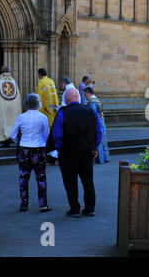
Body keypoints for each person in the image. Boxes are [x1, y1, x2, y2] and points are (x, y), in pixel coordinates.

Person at [50, 88, 102, 217]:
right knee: (88, 180)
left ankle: (74, 209)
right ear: (78, 98)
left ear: (67, 100)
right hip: (86, 152)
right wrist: (94, 147)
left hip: (68, 153)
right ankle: (90, 208)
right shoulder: (90, 111)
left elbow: (57, 134)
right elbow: (99, 131)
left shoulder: (63, 113)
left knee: (70, 181)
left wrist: (59, 149)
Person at [10, 94, 51, 213]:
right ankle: (43, 204)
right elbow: (46, 135)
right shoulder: (43, 117)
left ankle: (24, 204)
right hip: (38, 149)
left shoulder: (21, 117)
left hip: (24, 149)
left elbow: (12, 134)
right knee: (41, 177)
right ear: (38, 103)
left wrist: (20, 142)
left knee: (23, 177)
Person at [0, 65, 22, 147]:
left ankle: (5, 140)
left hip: (2, 107)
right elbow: (18, 98)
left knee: (4, 122)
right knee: (11, 122)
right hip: (12, 108)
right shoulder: (14, 82)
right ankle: (11, 139)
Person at [84, 87, 110, 164]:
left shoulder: (93, 102)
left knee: (98, 140)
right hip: (101, 122)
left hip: (96, 123)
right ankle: (105, 157)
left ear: (88, 93)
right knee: (103, 141)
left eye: (85, 94)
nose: (85, 96)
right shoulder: (96, 100)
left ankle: (101, 159)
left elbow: (92, 114)